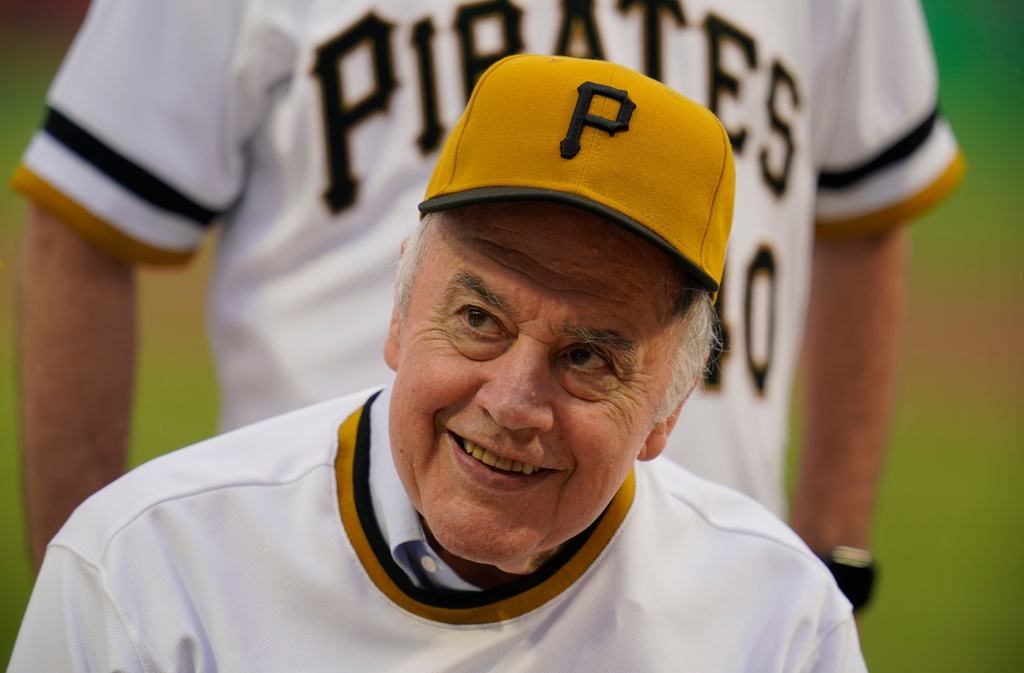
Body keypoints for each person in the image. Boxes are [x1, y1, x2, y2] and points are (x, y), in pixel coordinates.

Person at [14, 0, 963, 607]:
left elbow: (865, 206)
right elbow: (84, 220)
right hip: (296, 590)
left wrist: (826, 561)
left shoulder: (770, 614)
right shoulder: (153, 578)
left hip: (696, 605)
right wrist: (92, 582)